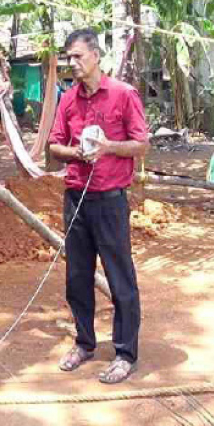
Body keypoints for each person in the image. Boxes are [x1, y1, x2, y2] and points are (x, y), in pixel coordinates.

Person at [48, 28, 150, 384]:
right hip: (76, 198)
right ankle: (84, 343)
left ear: (96, 55)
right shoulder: (68, 100)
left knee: (120, 277)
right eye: (69, 57)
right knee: (77, 276)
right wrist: (77, 153)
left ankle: (125, 353)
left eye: (78, 56)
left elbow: (141, 144)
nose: (72, 63)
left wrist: (108, 147)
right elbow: (54, 146)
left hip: (110, 201)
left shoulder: (123, 94)